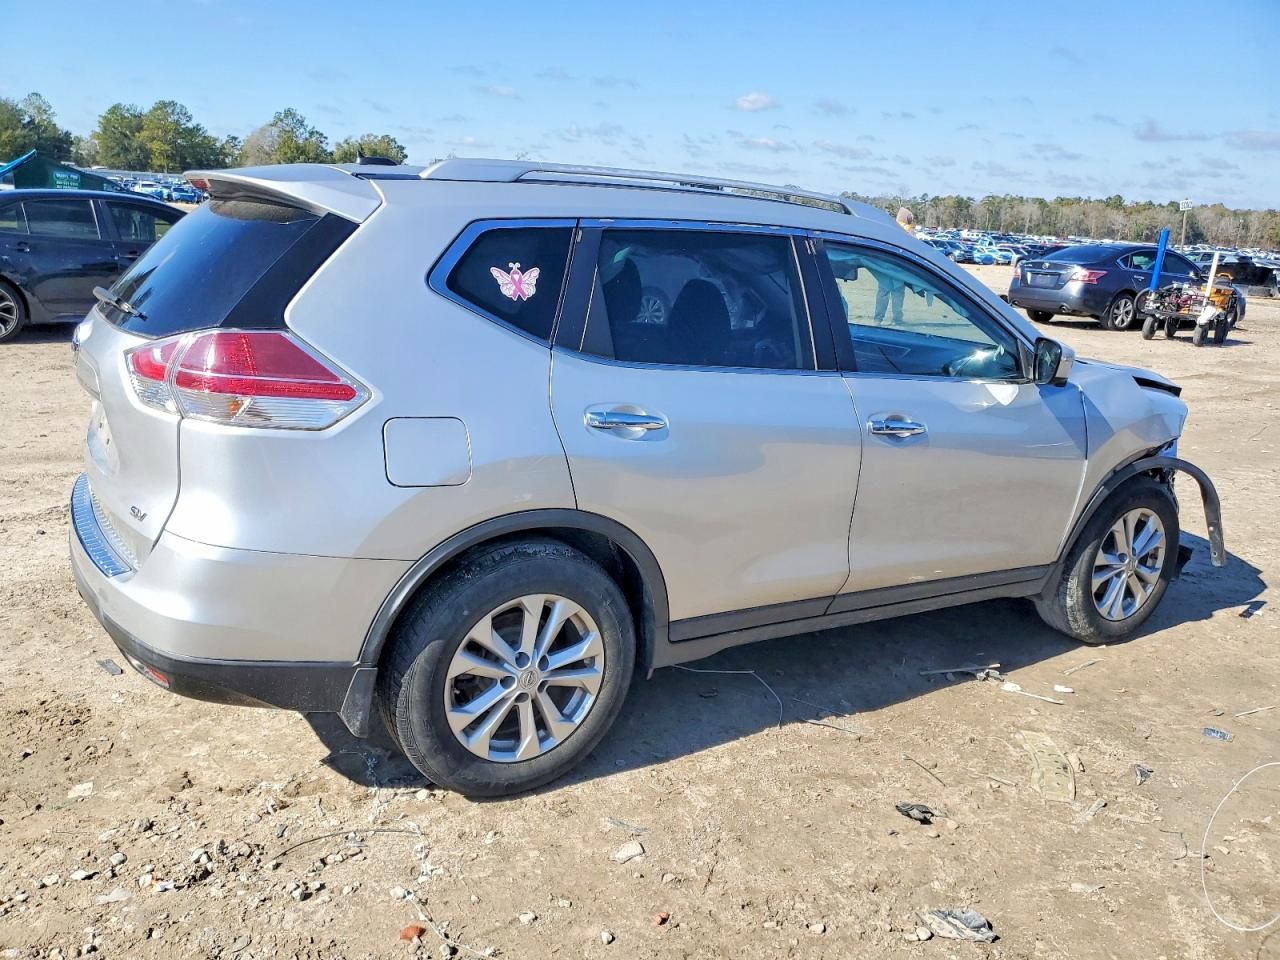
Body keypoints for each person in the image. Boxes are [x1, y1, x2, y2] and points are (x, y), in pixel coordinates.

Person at [871, 207, 916, 324]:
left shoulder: (889, 228)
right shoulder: (909, 231)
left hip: (885, 266)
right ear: (908, 218)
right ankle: (897, 319)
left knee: (883, 292)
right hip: (899, 268)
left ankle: (878, 319)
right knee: (898, 293)